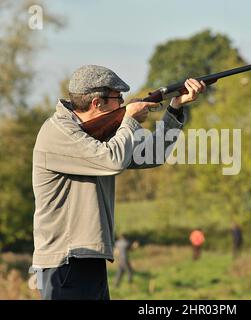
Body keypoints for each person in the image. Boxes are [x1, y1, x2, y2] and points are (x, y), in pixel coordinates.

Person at [31, 64, 206, 300]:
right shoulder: (58, 133)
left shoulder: (95, 135)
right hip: (65, 261)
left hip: (89, 257)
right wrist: (130, 120)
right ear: (97, 103)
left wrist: (175, 108)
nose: (123, 104)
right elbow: (111, 160)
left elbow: (152, 155)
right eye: (118, 98)